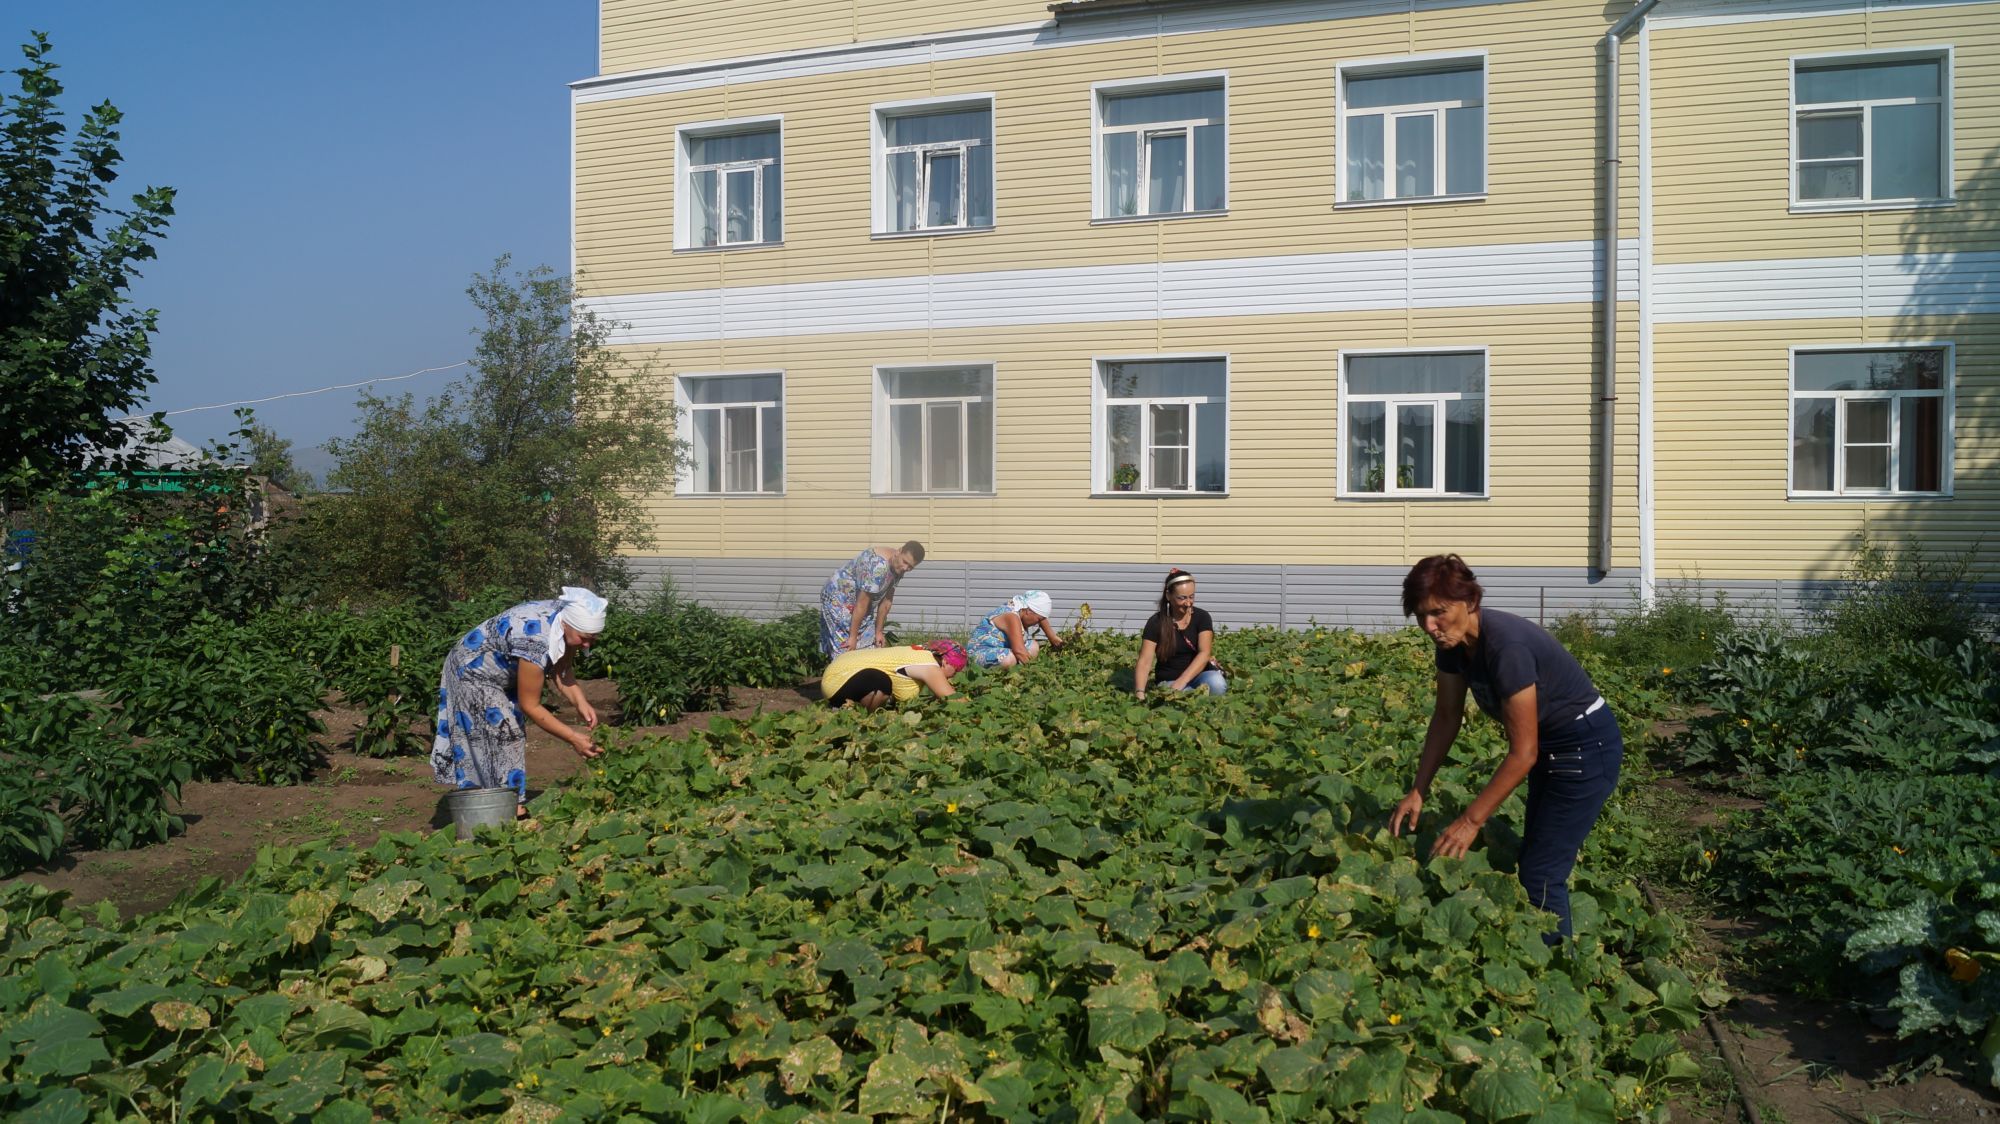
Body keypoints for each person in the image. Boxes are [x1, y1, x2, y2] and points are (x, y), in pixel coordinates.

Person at [1387, 555, 1623, 941]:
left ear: (1470, 602)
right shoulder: (1452, 644)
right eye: (1420, 615)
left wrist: (1471, 820)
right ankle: (1544, 952)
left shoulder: (1506, 648)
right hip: (1551, 750)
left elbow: (1522, 753)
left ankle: (1559, 969)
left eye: (1438, 613)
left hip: (1585, 749)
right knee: (1536, 860)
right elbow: (1447, 716)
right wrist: (1418, 789)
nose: (1429, 626)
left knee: (1542, 873)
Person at [432, 586, 608, 815]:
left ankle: (501, 804)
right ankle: (507, 810)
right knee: (504, 733)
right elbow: (530, 706)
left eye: (592, 640)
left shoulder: (564, 621)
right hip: (471, 671)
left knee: (506, 733)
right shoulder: (535, 640)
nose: (587, 645)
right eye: (585, 639)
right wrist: (573, 737)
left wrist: (580, 701)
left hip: (501, 673)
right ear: (569, 625)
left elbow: (562, 666)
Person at [820, 541, 925, 658]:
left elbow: (886, 602)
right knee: (846, 649)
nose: (906, 568)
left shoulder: (898, 566)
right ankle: (841, 672)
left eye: (911, 567)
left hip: (860, 602)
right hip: (839, 598)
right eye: (905, 562)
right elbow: (862, 604)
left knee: (870, 646)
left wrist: (878, 632)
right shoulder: (877, 566)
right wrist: (853, 637)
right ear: (899, 551)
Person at [1133, 568, 1226, 697]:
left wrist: (1181, 682)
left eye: (1191, 596)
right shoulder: (1156, 622)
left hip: (1199, 676)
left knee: (1217, 683)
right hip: (1169, 681)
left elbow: (1204, 653)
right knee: (1185, 697)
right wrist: (1140, 693)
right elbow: (1145, 661)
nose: (1188, 603)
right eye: (1182, 598)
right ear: (1168, 595)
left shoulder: (1202, 617)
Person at [821, 638, 967, 710]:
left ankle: (847, 707)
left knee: (882, 682)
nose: (955, 675)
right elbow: (952, 698)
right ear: (947, 662)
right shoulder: (929, 665)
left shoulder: (922, 654)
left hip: (840, 672)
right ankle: (860, 716)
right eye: (957, 669)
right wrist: (979, 710)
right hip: (838, 678)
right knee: (881, 682)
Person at [967, 590, 1064, 669]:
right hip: (980, 653)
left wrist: (1052, 637)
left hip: (1001, 649)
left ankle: (1015, 672)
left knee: (1033, 646)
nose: (1037, 623)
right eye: (1038, 620)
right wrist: (1036, 672)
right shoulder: (1011, 617)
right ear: (1028, 612)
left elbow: (1041, 617)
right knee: (1009, 658)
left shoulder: (1022, 607)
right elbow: (1019, 650)